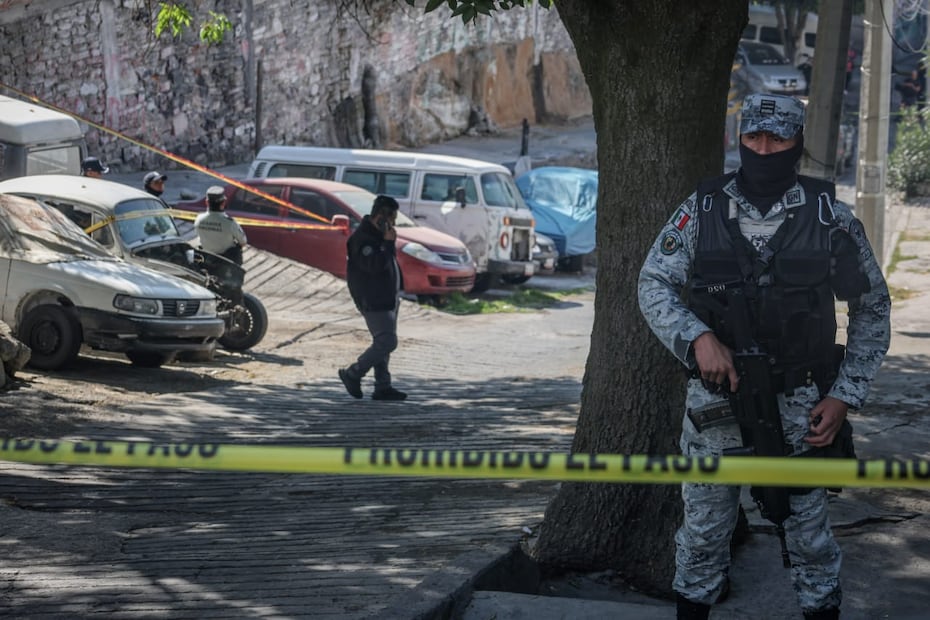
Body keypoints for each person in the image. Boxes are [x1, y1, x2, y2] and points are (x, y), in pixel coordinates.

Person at [638, 93, 891, 620]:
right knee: (702, 539)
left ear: (797, 142)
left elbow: (872, 307)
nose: (764, 147)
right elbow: (653, 282)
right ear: (741, 138)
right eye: (754, 137)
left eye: (777, 139)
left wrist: (845, 395)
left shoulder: (829, 217)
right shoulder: (702, 210)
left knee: (811, 543)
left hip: (802, 408)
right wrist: (696, 338)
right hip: (716, 408)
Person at [338, 195, 407, 401]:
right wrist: (387, 244)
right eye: (392, 219)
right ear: (381, 217)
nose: (394, 225)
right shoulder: (363, 239)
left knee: (381, 343)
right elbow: (374, 266)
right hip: (373, 298)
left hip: (388, 297)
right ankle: (353, 373)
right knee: (387, 342)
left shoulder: (379, 236)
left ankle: (382, 386)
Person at [193, 186, 247, 265]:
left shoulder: (198, 219)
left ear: (207, 202)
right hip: (227, 263)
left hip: (206, 261)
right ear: (224, 202)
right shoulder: (229, 223)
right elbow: (243, 242)